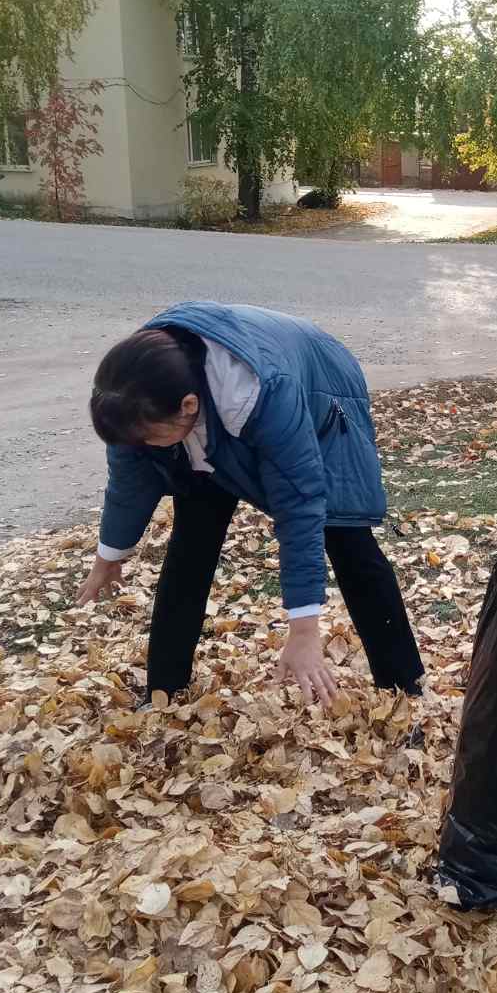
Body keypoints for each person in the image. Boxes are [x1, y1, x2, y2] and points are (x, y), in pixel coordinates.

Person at [78, 301, 423, 708]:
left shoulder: (264, 391)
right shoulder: (134, 397)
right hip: (208, 424)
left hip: (320, 393)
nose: (142, 450)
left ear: (189, 406)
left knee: (347, 540)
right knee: (191, 544)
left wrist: (304, 630)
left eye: (149, 440)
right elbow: (129, 480)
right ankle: (164, 691)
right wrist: (109, 554)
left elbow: (299, 504)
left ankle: (405, 685)